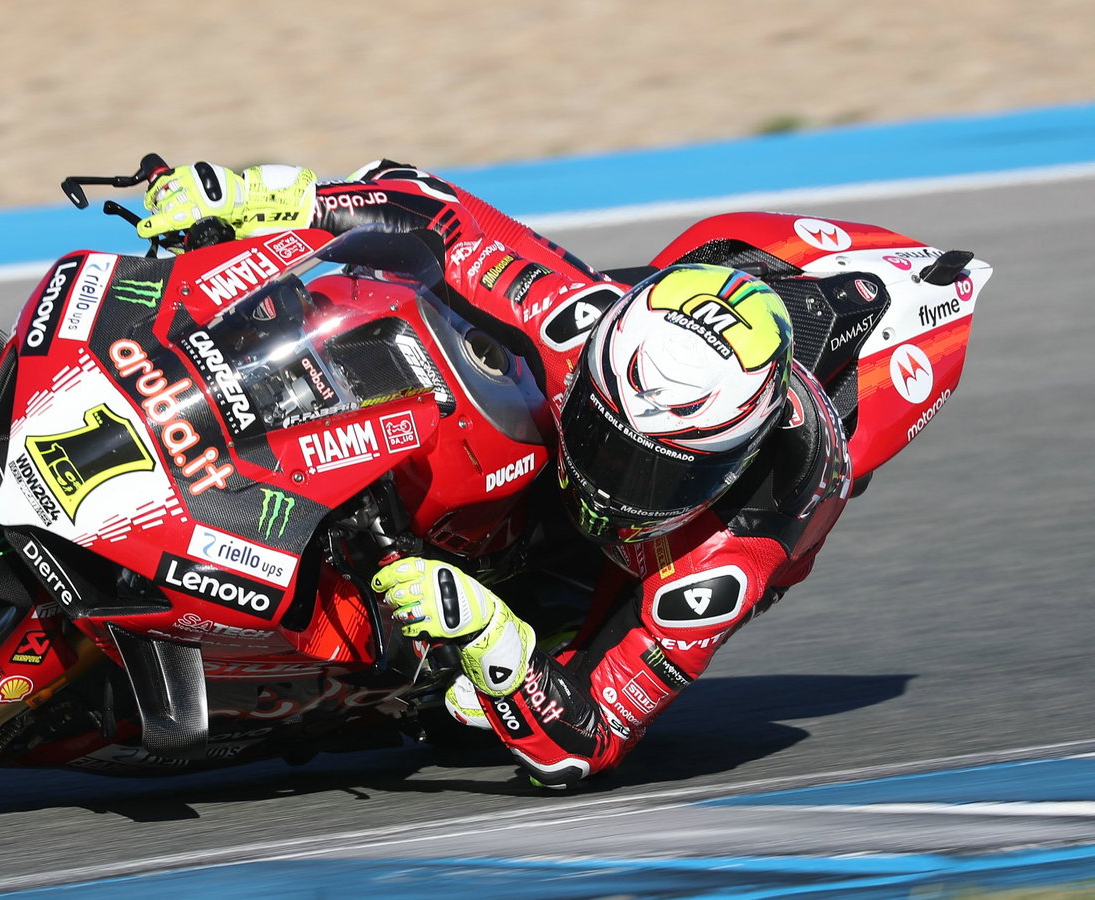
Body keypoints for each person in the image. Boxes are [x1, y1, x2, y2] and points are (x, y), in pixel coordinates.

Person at [136, 160, 852, 788]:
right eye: (605, 438)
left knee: (470, 715)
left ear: (730, 463)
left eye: (657, 472)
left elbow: (590, 743)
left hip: (640, 561)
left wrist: (489, 634)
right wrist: (261, 194)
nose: (611, 482)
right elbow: (424, 205)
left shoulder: (728, 558)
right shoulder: (576, 323)